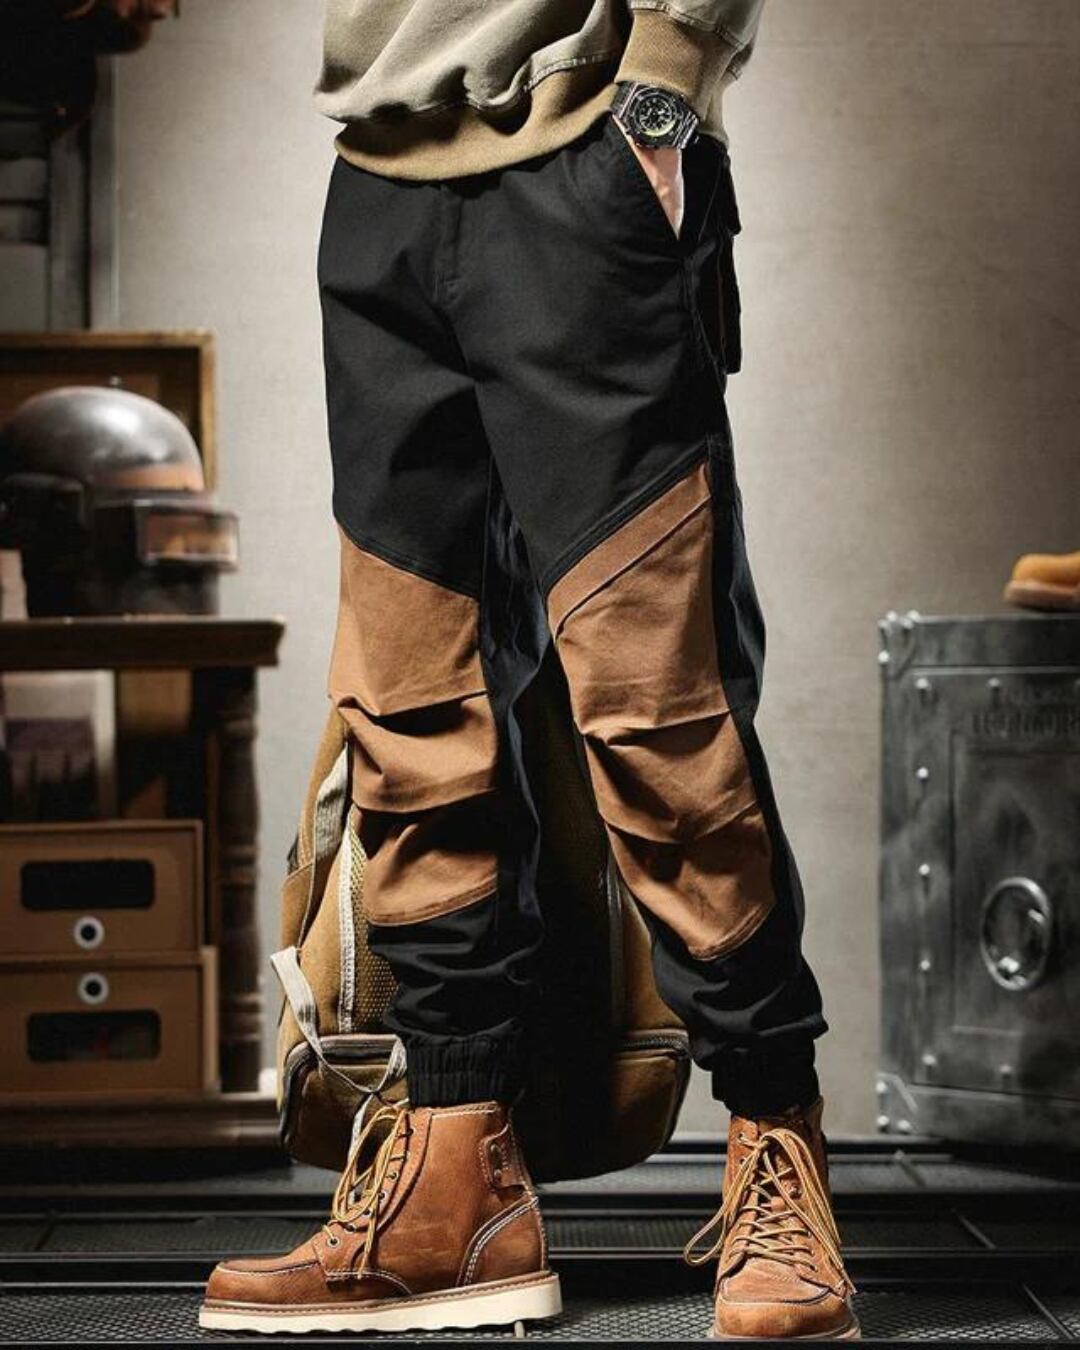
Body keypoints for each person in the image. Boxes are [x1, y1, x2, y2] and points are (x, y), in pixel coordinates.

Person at [202, 0, 857, 1339]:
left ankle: (775, 1136)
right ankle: (458, 1179)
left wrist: (665, 82)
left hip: (583, 154)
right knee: (409, 702)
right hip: (380, 165)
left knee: (656, 699)